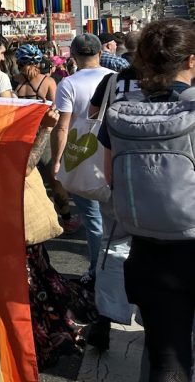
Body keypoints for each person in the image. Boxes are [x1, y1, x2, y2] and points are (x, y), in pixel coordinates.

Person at [0, 48, 95, 369]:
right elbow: (22, 168)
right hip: (5, 220)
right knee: (22, 286)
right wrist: (45, 129)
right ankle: (27, 343)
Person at [100, 19, 195, 380]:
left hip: (149, 251)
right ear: (190, 61)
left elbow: (110, 178)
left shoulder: (123, 115)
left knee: (165, 359)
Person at [50, 34, 113, 286]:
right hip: (113, 153)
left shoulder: (69, 84)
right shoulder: (114, 78)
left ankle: (98, 270)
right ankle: (113, 272)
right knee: (115, 221)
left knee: (93, 219)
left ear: (73, 56)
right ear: (100, 53)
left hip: (80, 156)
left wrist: (56, 160)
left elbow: (62, 128)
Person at [14, 44, 76, 233]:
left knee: (22, 183)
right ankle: (67, 219)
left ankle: (25, 222)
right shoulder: (48, 82)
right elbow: (55, 110)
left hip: (20, 138)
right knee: (55, 182)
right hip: (44, 135)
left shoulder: (13, 82)